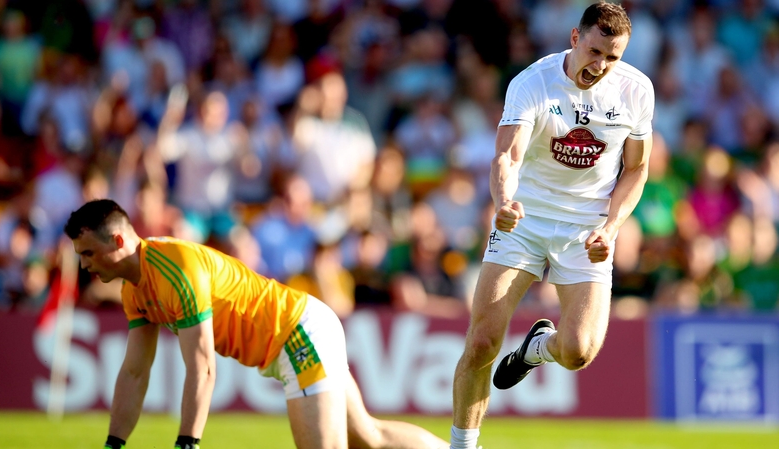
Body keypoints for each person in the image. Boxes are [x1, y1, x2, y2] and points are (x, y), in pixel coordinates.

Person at [64, 199, 448, 449]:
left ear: (117, 241)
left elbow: (202, 366)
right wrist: (114, 444)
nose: (84, 265)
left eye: (88, 254)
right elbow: (134, 373)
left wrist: (188, 441)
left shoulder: (175, 267)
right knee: (369, 437)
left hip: (297, 333)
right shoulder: (135, 292)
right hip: (299, 328)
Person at [449, 3, 654, 449]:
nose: (600, 66)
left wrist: (613, 227)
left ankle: (535, 349)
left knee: (579, 352)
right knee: (482, 342)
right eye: (595, 51)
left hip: (588, 227)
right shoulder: (532, 82)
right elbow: (508, 155)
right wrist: (503, 201)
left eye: (613, 57)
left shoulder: (637, 91)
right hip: (526, 216)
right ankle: (463, 445)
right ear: (575, 38)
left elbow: (637, 169)